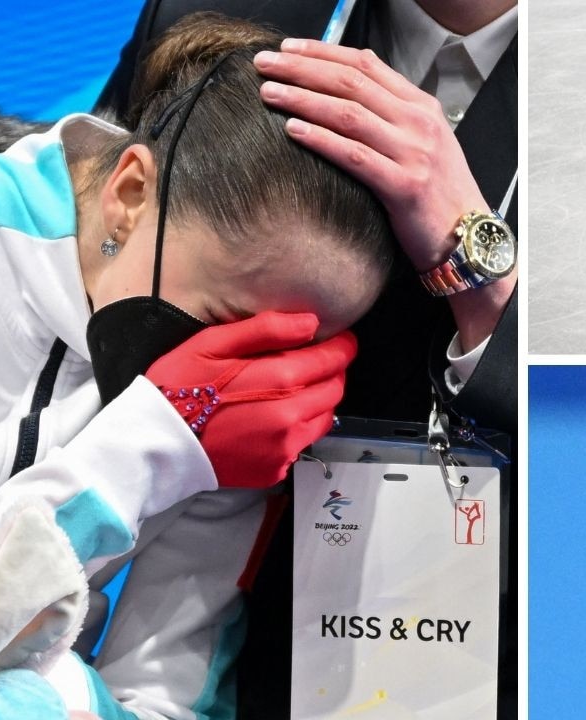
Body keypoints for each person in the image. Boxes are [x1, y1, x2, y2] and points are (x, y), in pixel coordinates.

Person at [0, 13, 394, 718]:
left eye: (290, 351)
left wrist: (50, 699)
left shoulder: (239, 416)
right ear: (128, 193)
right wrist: (142, 454)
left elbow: (165, 705)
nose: (237, 375)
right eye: (223, 324)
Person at [95, 2, 519, 716]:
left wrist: (481, 275)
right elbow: (84, 246)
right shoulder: (210, 11)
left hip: (476, 635)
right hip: (182, 620)